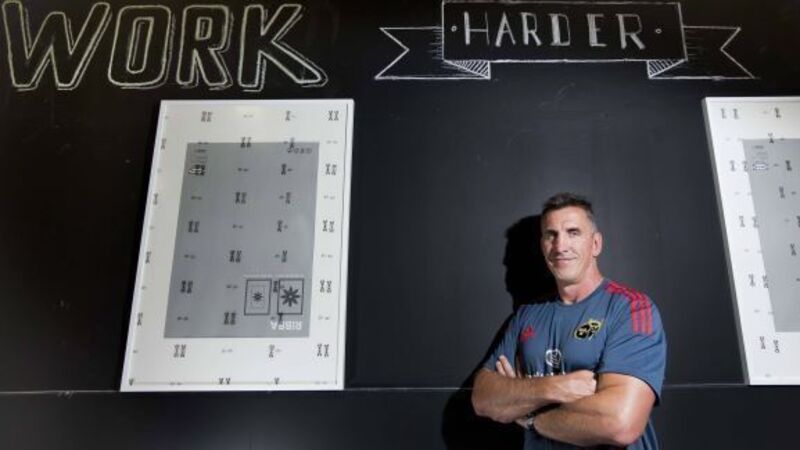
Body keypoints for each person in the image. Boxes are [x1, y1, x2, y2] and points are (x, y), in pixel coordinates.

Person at [472, 193, 667, 449]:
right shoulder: (527, 315)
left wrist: (528, 415)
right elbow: (483, 398)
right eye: (550, 235)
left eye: (573, 233)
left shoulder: (631, 308)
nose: (560, 246)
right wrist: (555, 387)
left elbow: (620, 423)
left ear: (595, 244)